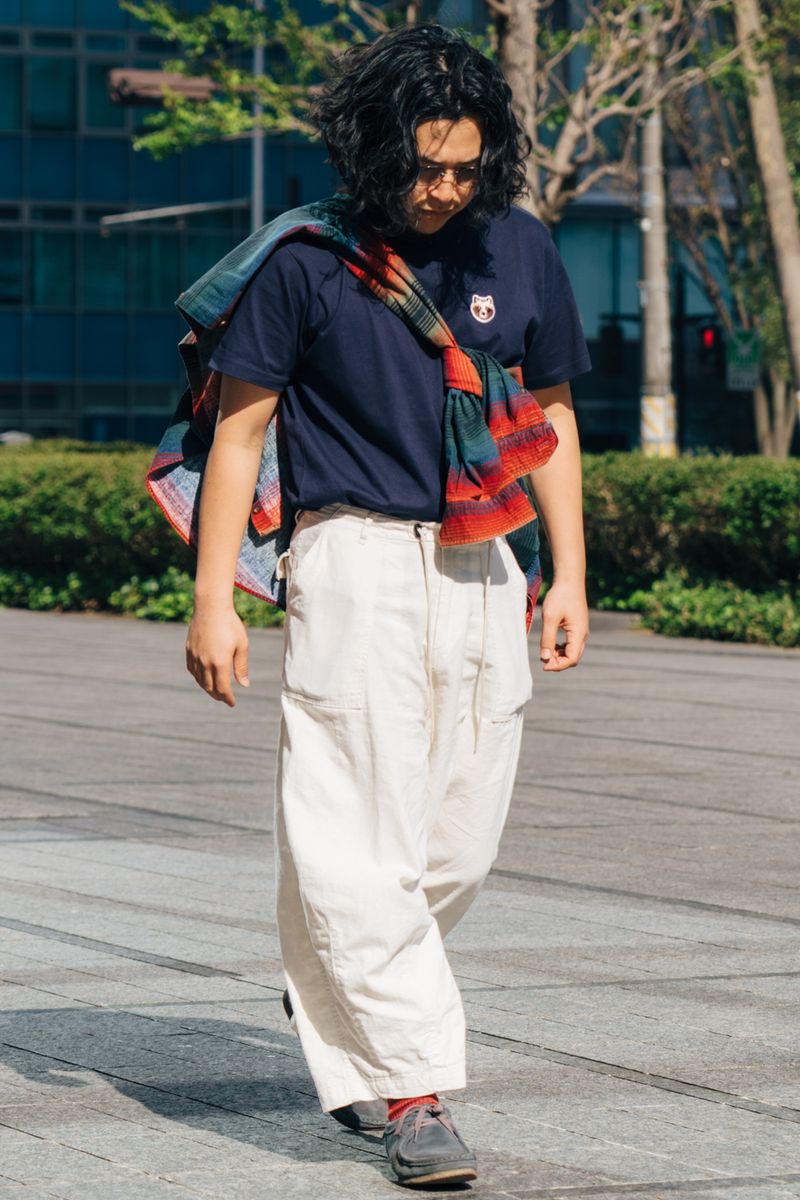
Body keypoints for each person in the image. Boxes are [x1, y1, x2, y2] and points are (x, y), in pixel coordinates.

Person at [181, 23, 591, 1188]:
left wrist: (568, 571)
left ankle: (332, 965)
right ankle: (416, 1097)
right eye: (421, 165)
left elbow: (549, 412)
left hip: (484, 559)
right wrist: (215, 602)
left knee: (455, 838)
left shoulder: (518, 249)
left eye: (462, 166)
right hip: (351, 557)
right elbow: (239, 433)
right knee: (359, 834)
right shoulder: (307, 261)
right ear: (374, 151)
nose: (440, 188)